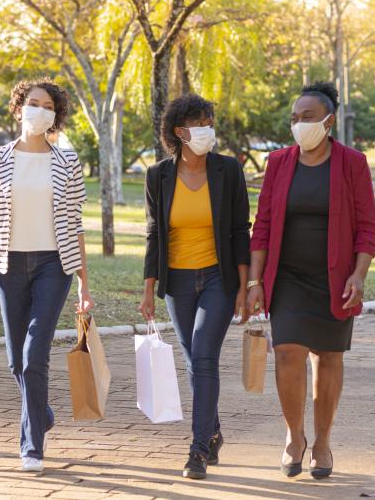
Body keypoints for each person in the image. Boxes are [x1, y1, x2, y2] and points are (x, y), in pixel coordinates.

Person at [246, 81, 375, 479]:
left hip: (335, 278)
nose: (299, 124)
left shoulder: (353, 163)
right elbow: (264, 226)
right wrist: (255, 282)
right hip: (287, 277)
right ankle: (294, 436)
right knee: (287, 352)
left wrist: (359, 273)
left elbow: (368, 225)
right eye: (294, 118)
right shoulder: (278, 162)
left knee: (328, 358)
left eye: (307, 117)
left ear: (328, 120)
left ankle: (322, 442)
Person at [0, 78, 94, 473]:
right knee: (14, 361)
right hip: (8, 266)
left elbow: (76, 224)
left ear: (55, 116)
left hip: (52, 265)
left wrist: (83, 284)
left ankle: (32, 446)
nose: (39, 111)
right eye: (33, 103)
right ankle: (40, 412)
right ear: (19, 107)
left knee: (33, 354)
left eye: (48, 106)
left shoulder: (66, 162)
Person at [140, 94, 251, 480]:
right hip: (177, 281)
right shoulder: (158, 175)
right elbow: (154, 233)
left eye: (209, 121)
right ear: (180, 132)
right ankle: (214, 430)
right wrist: (148, 288)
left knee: (203, 355)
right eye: (199, 123)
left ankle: (198, 449)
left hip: (219, 277)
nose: (207, 129)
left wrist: (243, 284)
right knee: (193, 360)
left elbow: (240, 230)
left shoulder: (228, 171)